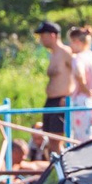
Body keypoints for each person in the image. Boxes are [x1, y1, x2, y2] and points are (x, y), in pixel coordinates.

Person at [33, 21, 75, 156]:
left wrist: (69, 95)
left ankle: (65, 169)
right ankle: (56, 169)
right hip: (50, 101)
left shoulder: (65, 52)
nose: (41, 40)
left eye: (43, 36)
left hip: (60, 101)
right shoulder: (53, 54)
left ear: (52, 35)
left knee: (57, 141)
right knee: (51, 141)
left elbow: (79, 74)